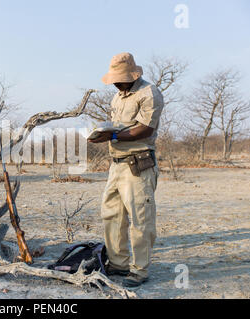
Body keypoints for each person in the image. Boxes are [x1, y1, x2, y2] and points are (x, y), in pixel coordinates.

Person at [89, 52, 164, 287]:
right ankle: (118, 263)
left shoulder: (149, 93)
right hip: (117, 164)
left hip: (138, 165)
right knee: (111, 215)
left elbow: (145, 129)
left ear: (132, 75)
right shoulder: (117, 98)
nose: (115, 82)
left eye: (118, 78)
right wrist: (105, 133)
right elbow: (118, 127)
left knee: (141, 219)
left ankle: (139, 270)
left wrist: (111, 135)